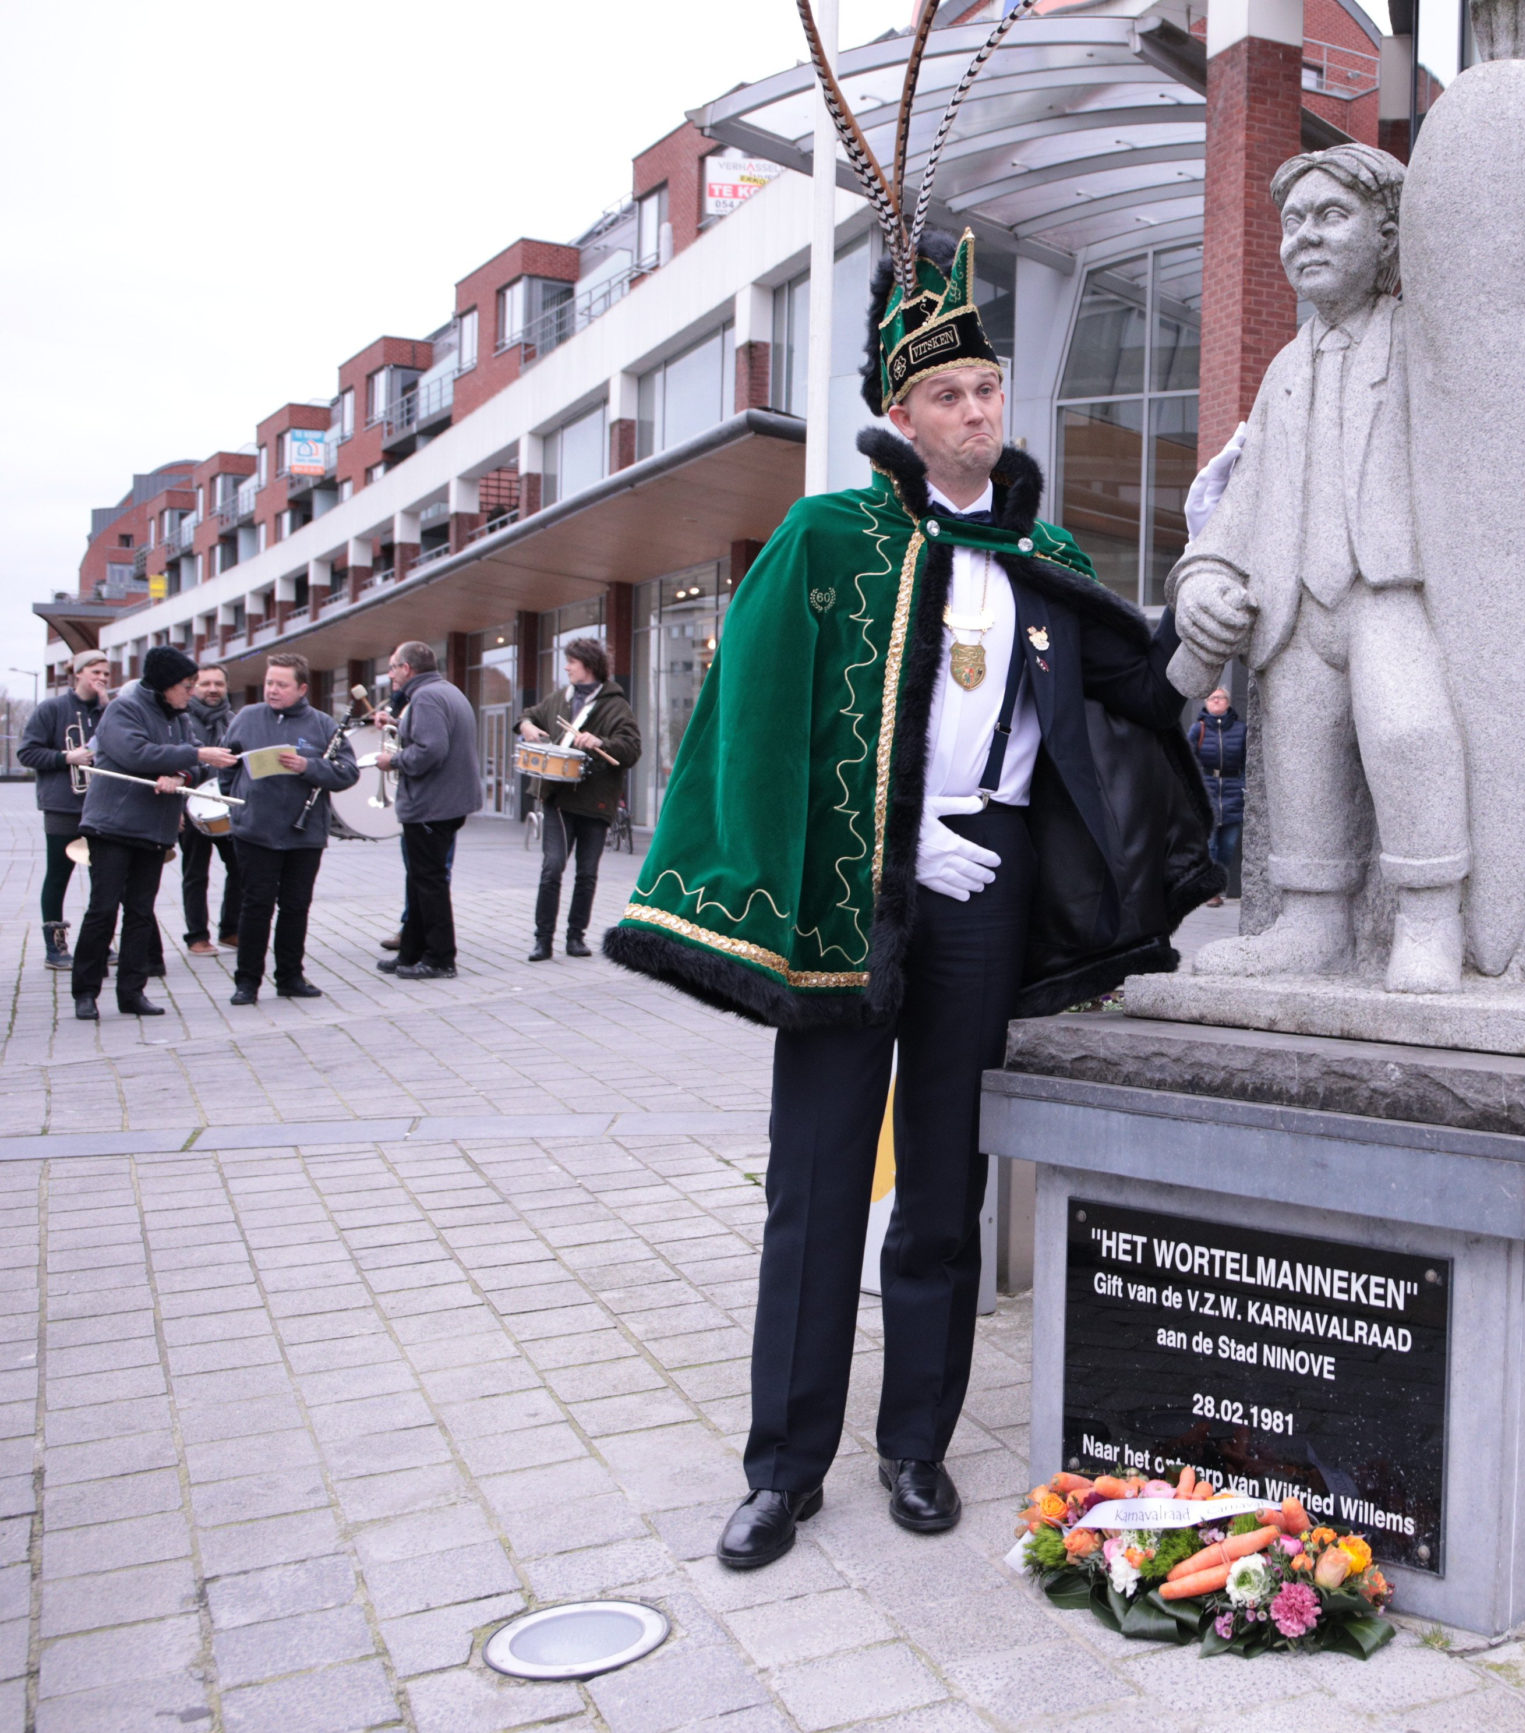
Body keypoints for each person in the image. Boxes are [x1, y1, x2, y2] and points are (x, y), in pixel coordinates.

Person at [605, 226, 1217, 1567]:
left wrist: (1211, 615)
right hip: (855, 893)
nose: (977, 410)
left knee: (944, 1181)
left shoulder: (1042, 546)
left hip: (986, 892)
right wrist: (892, 835)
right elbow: (756, 714)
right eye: (948, 394)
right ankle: (784, 1469)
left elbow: (1129, 689)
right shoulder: (827, 536)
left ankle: (916, 1445)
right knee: (819, 1184)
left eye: (987, 388)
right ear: (901, 412)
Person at [1168, 141, 1525, 990]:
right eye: (1292, 222)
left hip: (1389, 590)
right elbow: (1244, 496)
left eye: (1331, 216)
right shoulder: (1282, 372)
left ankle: (1429, 913)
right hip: (1293, 609)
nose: (1305, 237)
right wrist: (1204, 575)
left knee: (1410, 732)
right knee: (1301, 752)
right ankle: (1311, 920)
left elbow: (1522, 381)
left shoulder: (1427, 339)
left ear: (1387, 235)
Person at [71, 647, 238, 1018]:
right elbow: (136, 754)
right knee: (103, 909)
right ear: (165, 684)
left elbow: (193, 763)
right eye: (186, 685)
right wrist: (193, 757)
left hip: (154, 829)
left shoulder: (179, 718)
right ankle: (85, 992)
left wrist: (181, 775)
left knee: (141, 913)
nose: (191, 692)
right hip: (112, 826)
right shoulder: (123, 709)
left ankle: (132, 992)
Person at [222, 654, 359, 1004]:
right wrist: (237, 803)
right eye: (269, 682)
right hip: (255, 831)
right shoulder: (247, 718)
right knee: (255, 907)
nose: (272, 690)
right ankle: (247, 982)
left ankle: (290, 977)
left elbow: (348, 773)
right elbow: (226, 764)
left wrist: (307, 766)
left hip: (304, 834)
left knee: (295, 907)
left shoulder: (323, 724)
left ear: (302, 689)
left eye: (281, 685)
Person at [516, 638, 642, 961]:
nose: (566, 667)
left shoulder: (616, 705)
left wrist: (601, 742)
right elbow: (528, 715)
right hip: (557, 797)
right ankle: (543, 939)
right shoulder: (560, 698)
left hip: (595, 802)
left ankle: (576, 937)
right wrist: (527, 726)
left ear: (588, 664)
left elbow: (632, 749)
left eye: (572, 662)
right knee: (552, 868)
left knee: (586, 873)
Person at [371, 642, 480, 981]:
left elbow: (431, 750)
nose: (390, 674)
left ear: (407, 668)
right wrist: (397, 723)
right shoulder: (444, 691)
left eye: (393, 667)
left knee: (429, 883)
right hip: (443, 803)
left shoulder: (426, 698)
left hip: (432, 805)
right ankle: (412, 952)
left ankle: (440, 958)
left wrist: (393, 760)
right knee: (421, 881)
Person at [19, 649, 113, 970]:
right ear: (78, 673)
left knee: (105, 877)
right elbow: (27, 753)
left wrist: (108, 708)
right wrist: (66, 757)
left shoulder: (109, 710)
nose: (101, 678)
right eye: (95, 672)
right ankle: (55, 947)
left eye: (105, 673)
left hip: (102, 805)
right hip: (63, 806)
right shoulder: (52, 708)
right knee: (59, 875)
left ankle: (100, 942)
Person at [178, 665, 242, 957]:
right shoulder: (181, 720)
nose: (213, 689)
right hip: (191, 807)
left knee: (240, 868)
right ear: (193, 687)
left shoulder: (234, 721)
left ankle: (230, 930)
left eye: (219, 683)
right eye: (205, 684)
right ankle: (197, 936)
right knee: (195, 874)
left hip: (227, 807)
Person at [1187, 686, 1245, 904]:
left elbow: (1249, 760)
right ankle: (1211, 891)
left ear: (1228, 702)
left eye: (1220, 698)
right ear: (1206, 703)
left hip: (1233, 792)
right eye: (1212, 698)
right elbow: (1188, 759)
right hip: (1208, 790)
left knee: (1228, 846)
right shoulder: (1198, 729)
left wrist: (1244, 784)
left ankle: (1216, 883)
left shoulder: (1241, 730)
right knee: (1210, 844)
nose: (1216, 701)